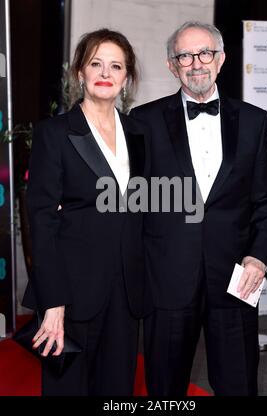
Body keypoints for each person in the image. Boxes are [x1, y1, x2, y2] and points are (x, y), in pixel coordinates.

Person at [131, 21, 267, 396]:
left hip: (234, 281)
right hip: (167, 283)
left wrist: (258, 259)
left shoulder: (253, 120)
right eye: (185, 55)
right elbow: (133, 201)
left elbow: (265, 203)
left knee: (238, 384)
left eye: (205, 53)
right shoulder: (143, 122)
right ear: (171, 64)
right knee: (165, 389)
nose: (196, 63)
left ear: (221, 58)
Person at [22, 28, 150, 396]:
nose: (105, 73)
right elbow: (42, 222)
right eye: (96, 63)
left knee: (117, 390)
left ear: (126, 78)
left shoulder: (138, 134)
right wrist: (54, 301)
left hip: (126, 291)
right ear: (80, 72)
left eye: (116, 66)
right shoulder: (55, 133)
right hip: (73, 291)